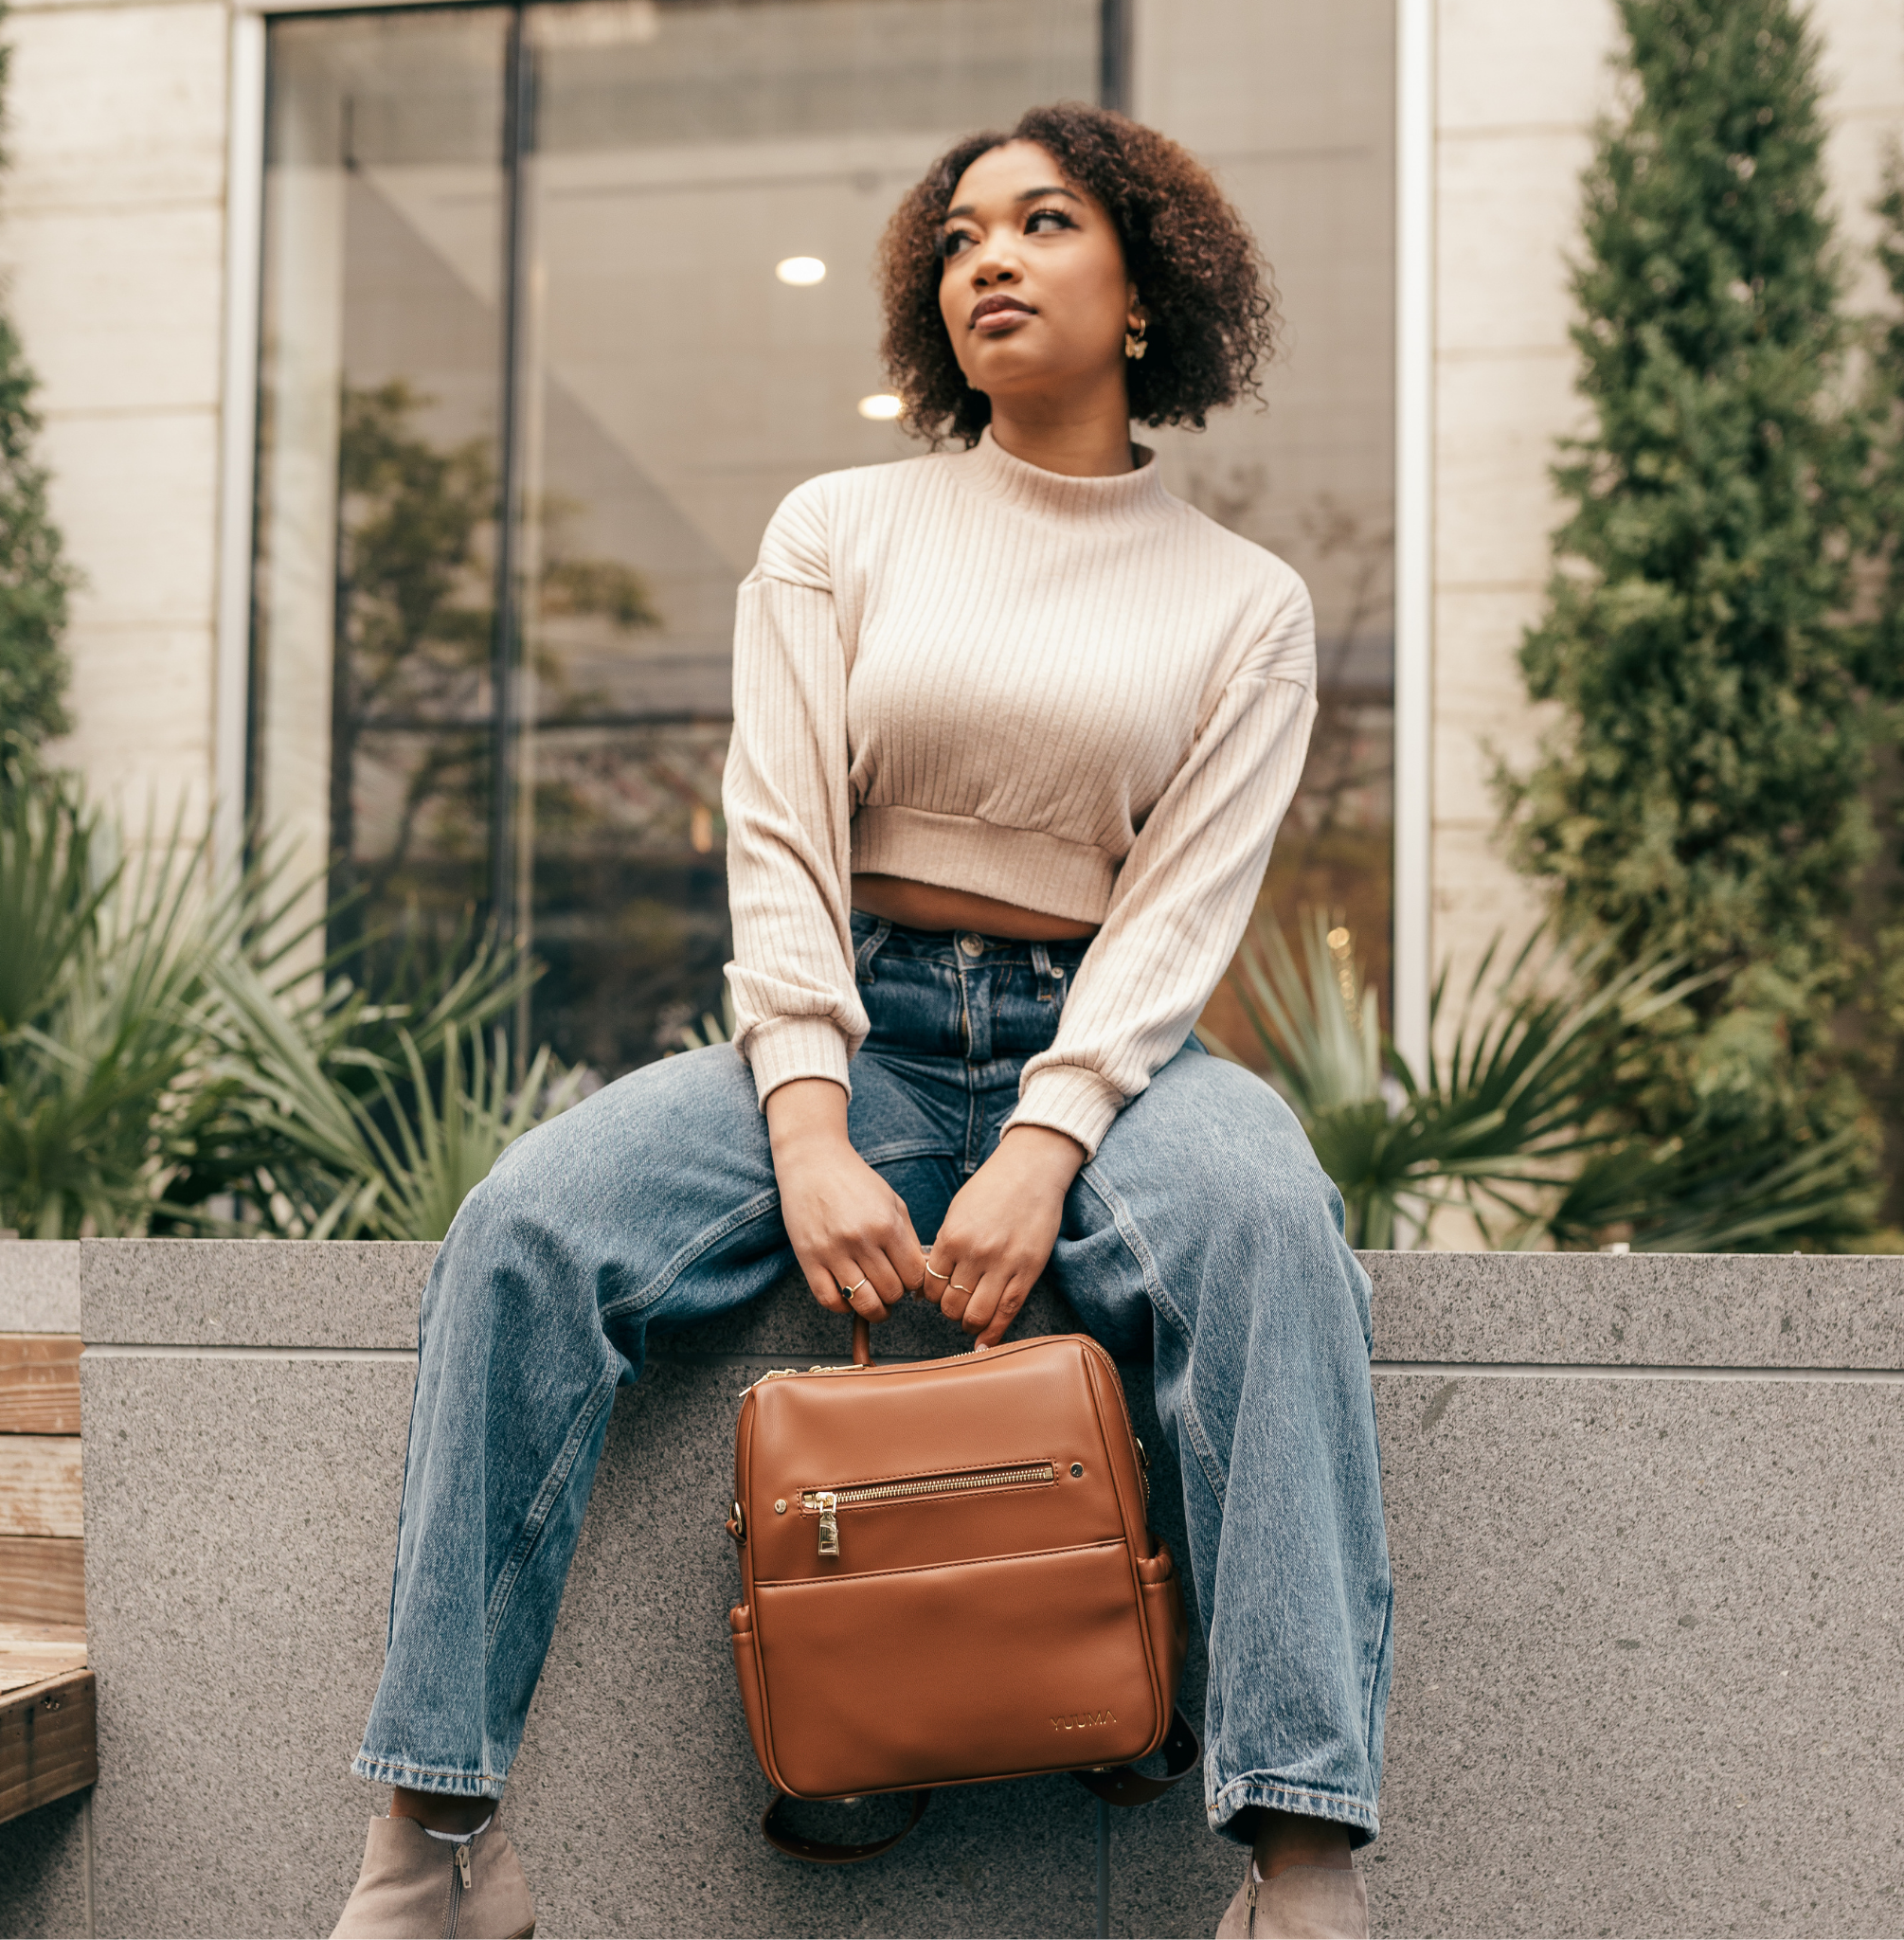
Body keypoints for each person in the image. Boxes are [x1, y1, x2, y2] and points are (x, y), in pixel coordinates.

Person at [332, 101, 1390, 1940]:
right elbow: (777, 834)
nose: (990, 258)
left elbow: (1181, 914)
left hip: (1112, 1044)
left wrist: (1047, 1142)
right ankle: (433, 1840)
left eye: (1044, 223)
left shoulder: (1248, 603)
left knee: (1273, 1225)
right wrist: (809, 1122)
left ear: (1146, 287)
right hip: (852, 1021)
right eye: (959, 236)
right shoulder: (839, 526)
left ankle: (1300, 1865)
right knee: (523, 1228)